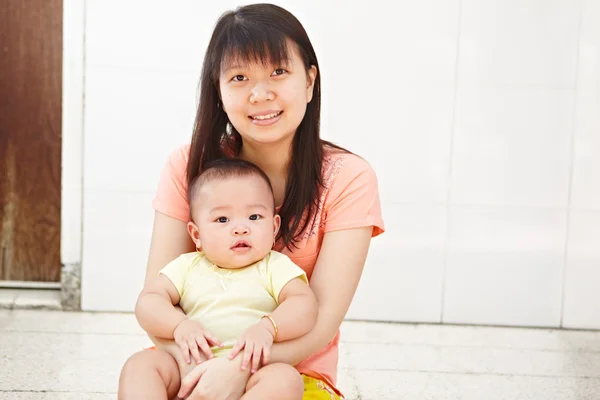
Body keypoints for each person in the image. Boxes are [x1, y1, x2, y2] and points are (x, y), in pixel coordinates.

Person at [118, 3, 385, 400]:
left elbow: (321, 322)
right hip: (191, 361)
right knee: (139, 369)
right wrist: (200, 369)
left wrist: (237, 370)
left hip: (290, 370)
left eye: (279, 71)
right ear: (219, 91)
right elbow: (155, 300)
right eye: (239, 77)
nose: (260, 94)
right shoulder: (187, 167)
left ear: (310, 81)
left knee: (282, 385)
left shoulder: (349, 178)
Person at [134, 158, 318, 400]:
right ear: (197, 235)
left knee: (285, 380)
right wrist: (178, 325)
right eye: (222, 220)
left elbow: (304, 303)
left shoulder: (274, 266)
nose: (240, 228)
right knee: (141, 365)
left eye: (254, 217)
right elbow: (149, 301)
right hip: (187, 369)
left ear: (274, 228)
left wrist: (268, 328)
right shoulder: (187, 267)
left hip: (252, 371)